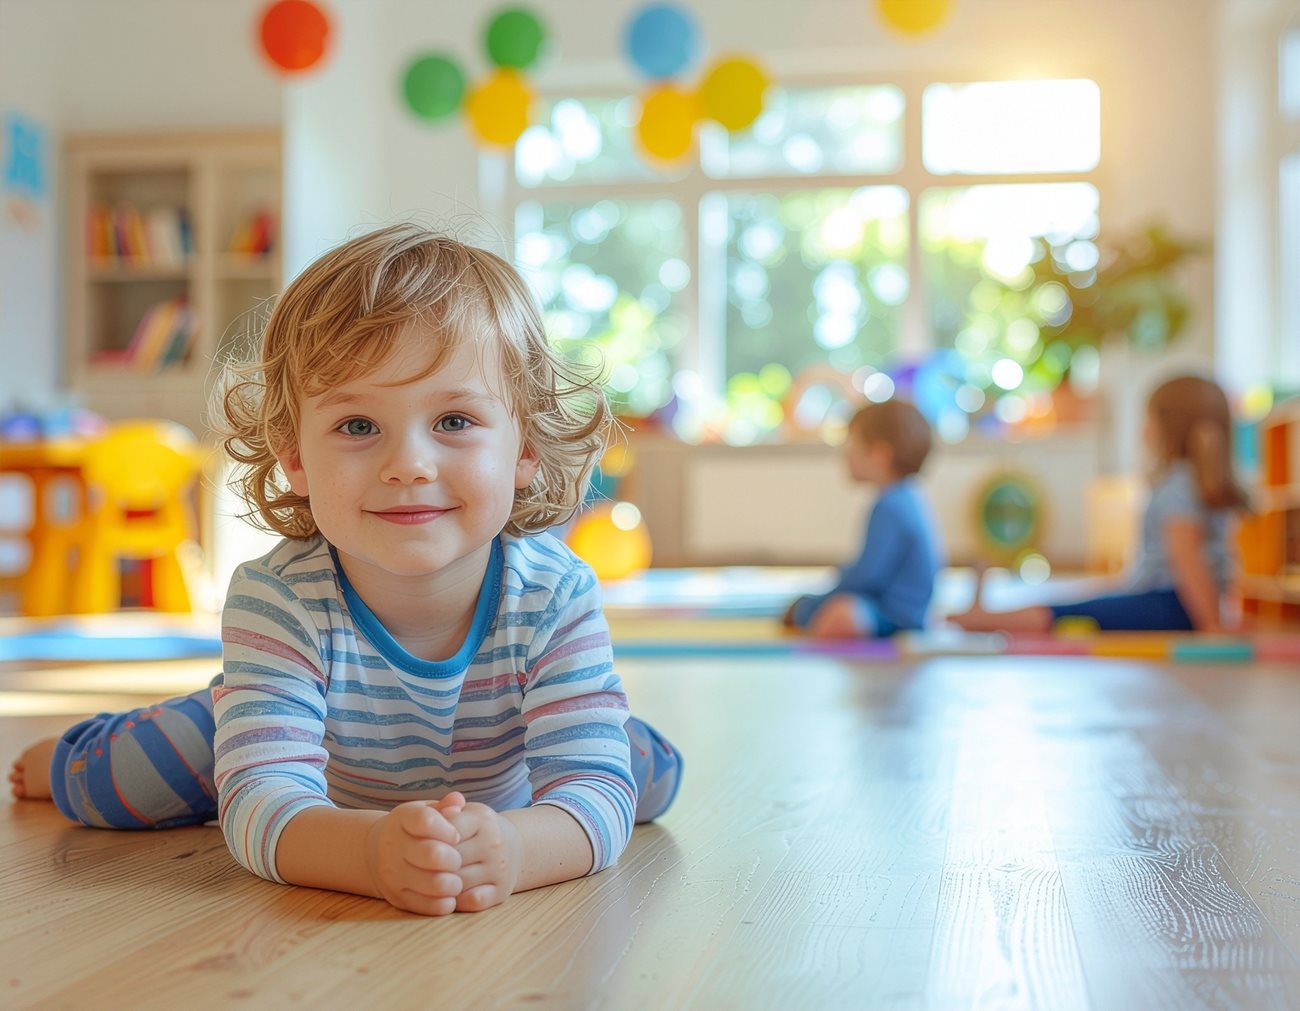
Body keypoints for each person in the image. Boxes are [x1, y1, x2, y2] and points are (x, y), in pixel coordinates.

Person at [9, 224, 682, 916]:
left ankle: (599, 722)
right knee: (124, 781)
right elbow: (262, 804)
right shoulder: (276, 598)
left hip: (506, 754)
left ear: (524, 450)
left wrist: (511, 847)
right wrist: (370, 853)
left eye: (453, 420)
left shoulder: (555, 592)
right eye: (359, 425)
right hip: (297, 731)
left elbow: (591, 799)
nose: (408, 464)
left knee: (639, 780)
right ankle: (80, 752)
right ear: (295, 456)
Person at [954, 375, 1249, 634]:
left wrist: (1211, 625)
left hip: (1169, 606)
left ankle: (979, 618)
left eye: (1148, 418)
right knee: (1083, 602)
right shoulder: (1193, 481)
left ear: (1165, 427)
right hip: (1174, 603)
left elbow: (1188, 560)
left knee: (1065, 613)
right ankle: (981, 613)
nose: (1144, 428)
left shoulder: (1177, 486)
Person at [783, 398, 944, 638]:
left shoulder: (890, 505)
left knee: (840, 614)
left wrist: (812, 606)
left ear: (879, 455)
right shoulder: (907, 496)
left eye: (851, 446)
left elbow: (866, 577)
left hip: (893, 616)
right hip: (904, 612)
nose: (845, 456)